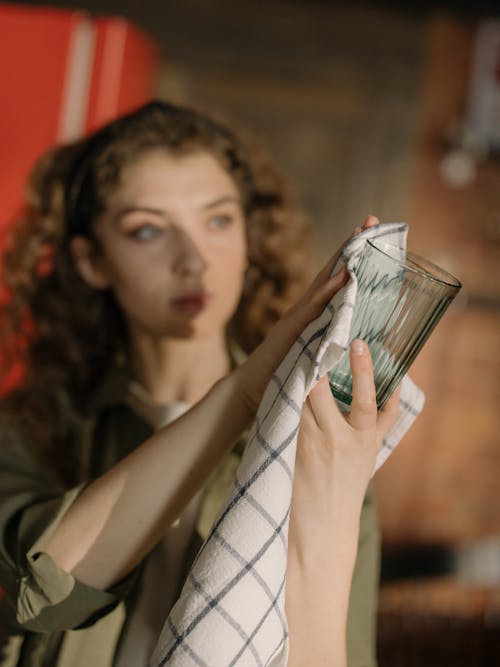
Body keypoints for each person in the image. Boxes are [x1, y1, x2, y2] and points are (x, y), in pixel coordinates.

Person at [0, 100, 389, 666]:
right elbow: (41, 593)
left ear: (249, 237)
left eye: (217, 220)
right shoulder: (31, 427)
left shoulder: (321, 439)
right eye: (148, 230)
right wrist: (246, 391)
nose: (194, 260)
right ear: (92, 261)